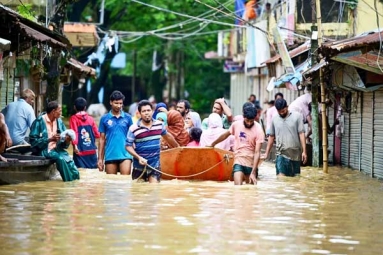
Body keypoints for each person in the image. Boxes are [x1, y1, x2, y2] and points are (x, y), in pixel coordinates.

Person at [207, 105, 265, 185]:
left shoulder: (258, 129)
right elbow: (225, 135)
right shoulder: (236, 125)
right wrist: (213, 144)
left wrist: (254, 171)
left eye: (251, 121)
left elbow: (257, 152)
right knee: (237, 189)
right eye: (247, 120)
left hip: (251, 163)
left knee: (251, 191)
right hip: (239, 160)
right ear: (243, 116)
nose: (249, 123)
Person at [126, 100, 179, 183]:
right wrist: (139, 157)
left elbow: (167, 136)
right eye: (144, 111)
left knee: (154, 190)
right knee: (138, 192)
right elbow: (128, 146)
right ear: (139, 113)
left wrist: (178, 148)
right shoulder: (133, 128)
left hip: (155, 165)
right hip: (139, 166)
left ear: (152, 111)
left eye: (148, 110)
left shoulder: (159, 125)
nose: (147, 113)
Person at [29, 101, 79, 182]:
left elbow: (64, 145)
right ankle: (69, 184)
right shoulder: (39, 121)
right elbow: (33, 142)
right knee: (60, 159)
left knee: (71, 163)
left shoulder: (59, 122)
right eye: (60, 111)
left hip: (57, 149)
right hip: (44, 150)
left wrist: (67, 140)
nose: (61, 113)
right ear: (53, 111)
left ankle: (76, 183)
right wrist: (50, 139)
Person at [262, 99, 307, 177]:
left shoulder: (297, 116)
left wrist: (304, 152)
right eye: (279, 111)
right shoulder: (274, 119)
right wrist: (266, 153)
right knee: (281, 179)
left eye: (283, 110)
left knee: (295, 180)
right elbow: (271, 137)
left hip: (295, 155)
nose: (281, 112)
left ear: (287, 106)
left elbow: (301, 134)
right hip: (281, 154)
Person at [98, 91, 133, 175]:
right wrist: (100, 159)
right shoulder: (104, 118)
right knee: (111, 183)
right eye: (116, 103)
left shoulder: (128, 118)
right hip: (110, 155)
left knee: (125, 182)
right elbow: (102, 140)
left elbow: (133, 137)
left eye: (121, 103)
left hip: (126, 155)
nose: (119, 106)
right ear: (111, 102)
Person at [70, 97, 100, 169]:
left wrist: (75, 147)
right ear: (85, 107)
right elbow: (97, 134)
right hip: (92, 151)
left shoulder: (73, 118)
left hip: (80, 152)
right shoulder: (91, 119)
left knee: (81, 173)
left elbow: (74, 133)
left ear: (74, 107)